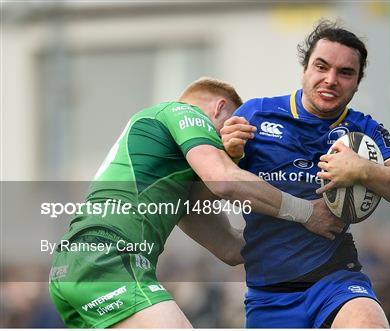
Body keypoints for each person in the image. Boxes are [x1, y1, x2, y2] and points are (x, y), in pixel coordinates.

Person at [48, 77, 344, 328]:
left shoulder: (175, 187)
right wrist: (305, 211)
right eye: (231, 126)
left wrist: (306, 237)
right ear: (219, 109)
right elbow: (224, 179)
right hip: (109, 258)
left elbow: (231, 248)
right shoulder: (179, 112)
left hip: (81, 263)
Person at [220, 20, 390, 328]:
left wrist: (364, 169)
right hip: (268, 294)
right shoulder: (255, 116)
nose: (331, 79)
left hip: (336, 281)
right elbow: (214, 185)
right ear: (305, 69)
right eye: (322, 67)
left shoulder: (365, 131)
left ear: (357, 82)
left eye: (345, 72)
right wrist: (230, 155)